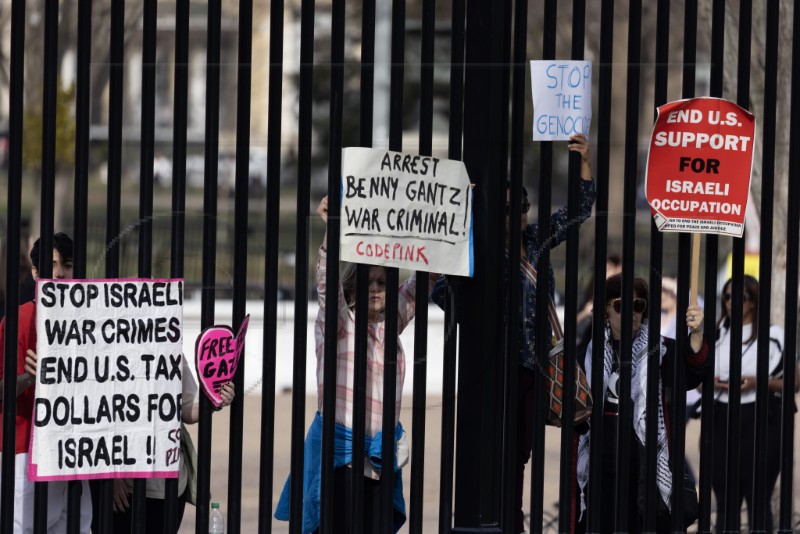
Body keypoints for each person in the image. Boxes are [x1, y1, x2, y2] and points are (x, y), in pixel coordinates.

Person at [436, 133, 595, 534]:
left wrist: (583, 161)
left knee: (520, 453)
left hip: (532, 367)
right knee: (491, 451)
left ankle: (512, 519)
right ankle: (492, 518)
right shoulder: (480, 252)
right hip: (493, 366)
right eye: (508, 209)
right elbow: (441, 291)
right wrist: (464, 217)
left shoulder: (534, 242)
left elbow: (579, 210)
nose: (518, 216)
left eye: (522, 207)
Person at [275, 196, 438, 534]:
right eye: (369, 282)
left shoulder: (391, 322)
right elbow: (325, 287)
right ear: (352, 287)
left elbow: (425, 278)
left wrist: (452, 213)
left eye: (382, 283)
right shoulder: (338, 325)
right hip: (341, 463)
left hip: (379, 462)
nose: (376, 289)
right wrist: (332, 233)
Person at [575, 273, 708, 534]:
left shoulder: (661, 350)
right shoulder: (587, 355)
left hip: (643, 471)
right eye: (620, 305)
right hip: (599, 470)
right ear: (605, 311)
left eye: (638, 305)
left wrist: (698, 333)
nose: (631, 313)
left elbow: (694, 373)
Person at [0, 232, 93, 533]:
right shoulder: (20, 318)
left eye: (67, 264)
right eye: (51, 265)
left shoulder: (92, 321)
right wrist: (32, 378)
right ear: (36, 272)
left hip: (76, 453)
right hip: (26, 453)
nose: (60, 273)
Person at [710, 275, 797, 533]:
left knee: (758, 499)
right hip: (721, 415)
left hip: (762, 417)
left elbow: (794, 381)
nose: (731, 302)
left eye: (740, 297)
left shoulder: (773, 335)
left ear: (754, 301)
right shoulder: (717, 335)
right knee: (725, 500)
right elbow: (698, 379)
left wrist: (760, 382)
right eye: (726, 296)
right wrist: (713, 382)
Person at [100, 371, 235, 532]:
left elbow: (187, 408)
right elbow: (98, 410)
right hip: (124, 484)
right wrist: (110, 472)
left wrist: (215, 401)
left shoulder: (173, 350)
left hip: (167, 483)